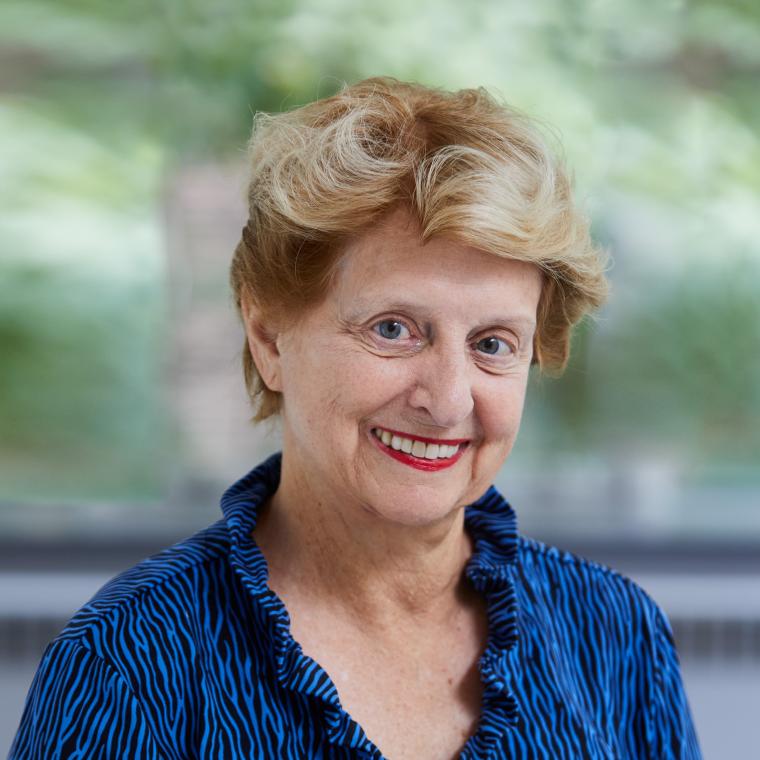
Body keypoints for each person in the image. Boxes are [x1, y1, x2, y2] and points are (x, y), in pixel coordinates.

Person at [10, 78, 701, 759]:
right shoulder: (128, 667)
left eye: (493, 344)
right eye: (395, 329)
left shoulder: (616, 637)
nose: (449, 399)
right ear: (269, 338)